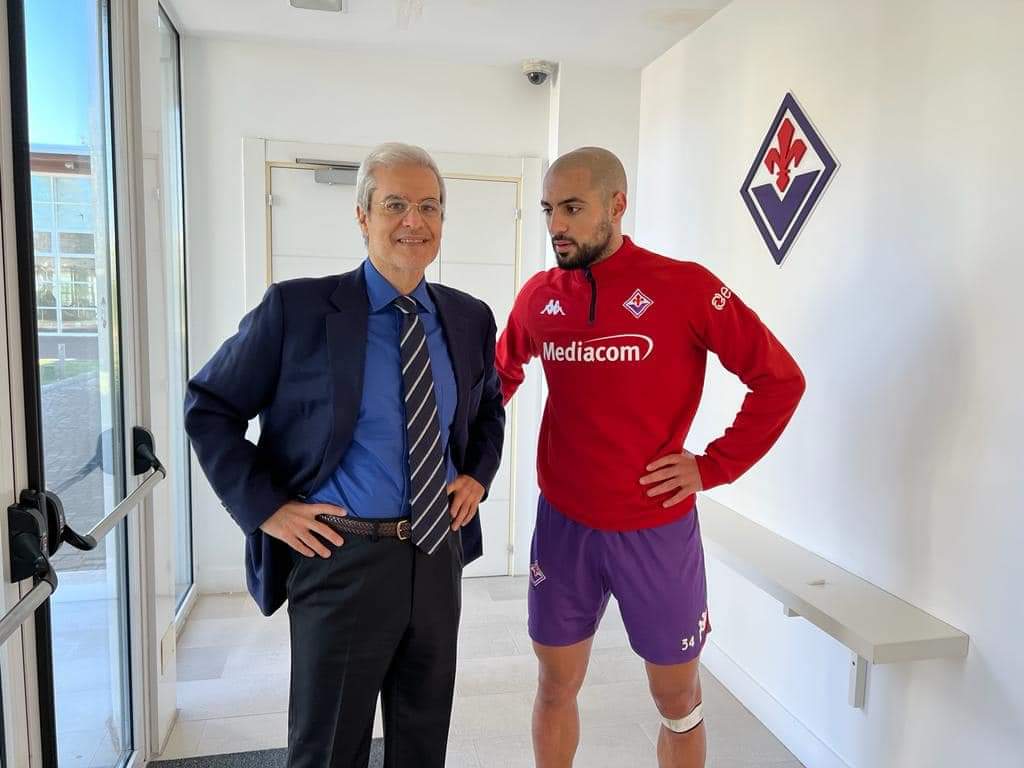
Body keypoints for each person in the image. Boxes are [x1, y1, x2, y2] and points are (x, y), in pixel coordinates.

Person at [184, 142, 505, 768]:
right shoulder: (297, 309)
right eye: (395, 205)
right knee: (328, 746)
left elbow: (488, 407)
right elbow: (210, 406)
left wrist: (477, 475)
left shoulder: (469, 318)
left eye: (429, 206)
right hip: (339, 557)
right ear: (363, 216)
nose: (414, 221)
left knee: (422, 739)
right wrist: (266, 509)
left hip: (436, 552)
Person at [496, 147, 805, 768]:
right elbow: (498, 379)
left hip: (656, 530)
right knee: (555, 685)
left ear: (617, 205)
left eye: (573, 208)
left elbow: (780, 380)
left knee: (678, 700)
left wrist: (712, 466)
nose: (556, 225)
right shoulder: (539, 297)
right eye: (549, 209)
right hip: (564, 526)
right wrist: (451, 455)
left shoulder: (684, 287)